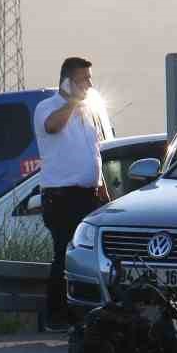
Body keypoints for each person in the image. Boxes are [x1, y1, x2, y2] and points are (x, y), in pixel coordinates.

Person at [34, 56, 110, 330]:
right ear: (67, 81)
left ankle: (88, 312)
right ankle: (56, 315)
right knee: (64, 252)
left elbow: (94, 152)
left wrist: (101, 188)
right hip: (62, 196)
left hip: (88, 194)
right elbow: (52, 127)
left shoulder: (89, 112)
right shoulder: (48, 107)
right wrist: (71, 102)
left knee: (91, 254)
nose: (89, 84)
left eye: (89, 78)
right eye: (83, 79)